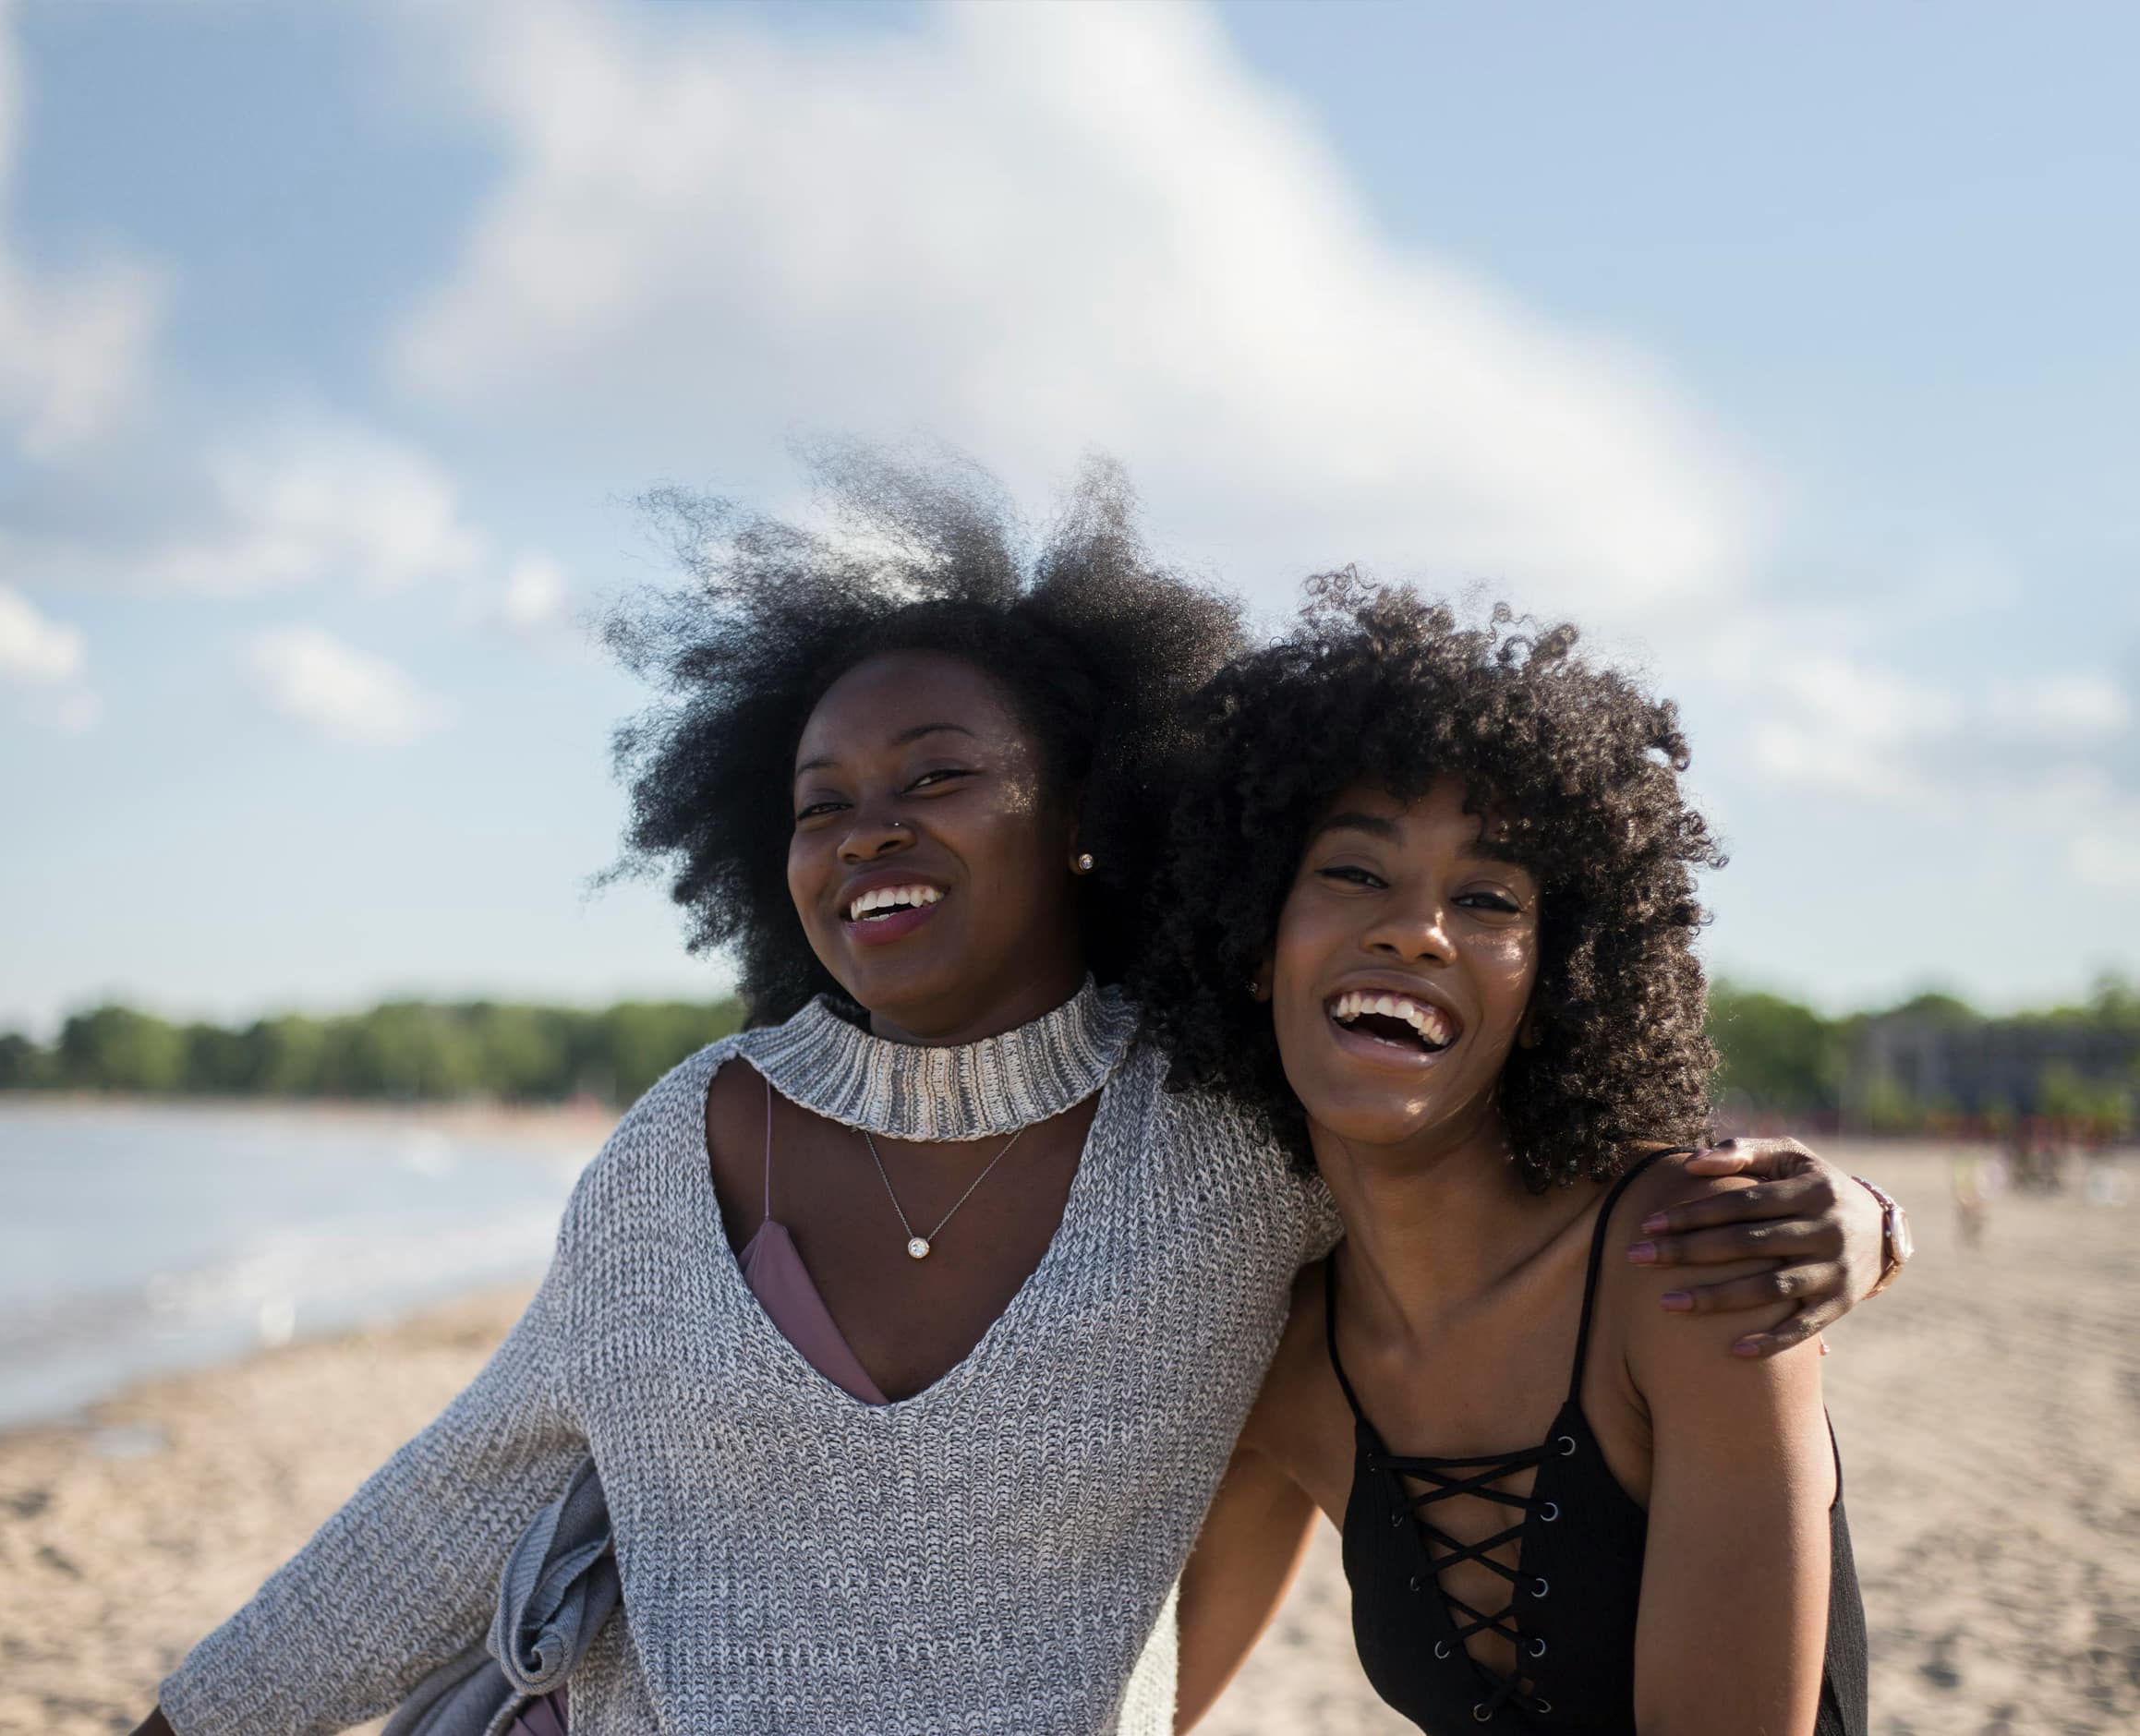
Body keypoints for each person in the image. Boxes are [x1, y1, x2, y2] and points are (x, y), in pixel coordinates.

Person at [135, 457, 1892, 1736]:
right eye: (822, 802)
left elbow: (1483, 1224)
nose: (870, 826)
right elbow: (457, 1501)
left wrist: (1863, 1222)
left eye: (941, 775)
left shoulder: (1229, 1135)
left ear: (1084, 815)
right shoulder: (680, 1150)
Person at [1149, 575, 1870, 1733]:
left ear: (1553, 984)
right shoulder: (1280, 1358)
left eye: (1486, 895)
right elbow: (1134, 1697)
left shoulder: (1684, 1260)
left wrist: (1876, 1219)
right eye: (1351, 870)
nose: (1413, 926)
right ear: (1248, 939)